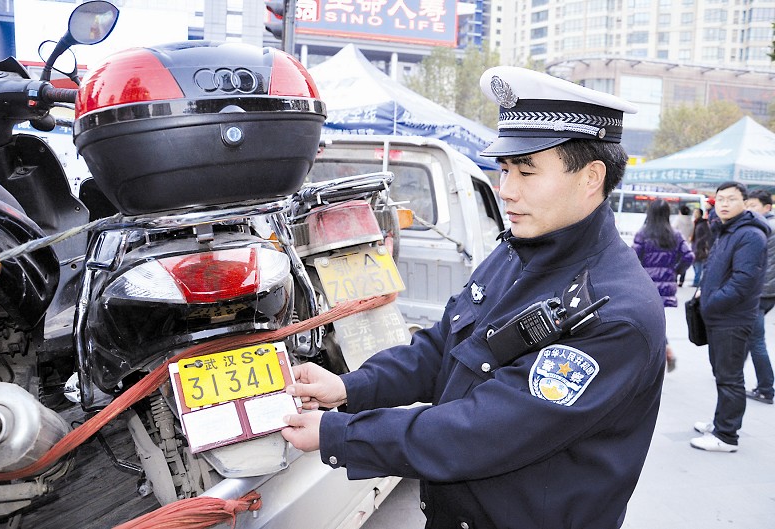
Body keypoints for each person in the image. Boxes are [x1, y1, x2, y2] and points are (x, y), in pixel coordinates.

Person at [282, 67, 666, 529]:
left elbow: (484, 431)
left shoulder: (615, 313)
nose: (507, 190)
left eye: (526, 171)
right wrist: (350, 387)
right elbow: (446, 347)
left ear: (590, 178)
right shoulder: (518, 251)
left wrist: (339, 435)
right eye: (505, 170)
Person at [691, 182, 769, 453]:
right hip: (720, 316)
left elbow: (743, 280)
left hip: (732, 318)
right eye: (720, 199)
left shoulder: (750, 235)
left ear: (744, 203)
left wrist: (712, 303)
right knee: (722, 373)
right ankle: (719, 423)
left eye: (731, 199)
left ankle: (727, 436)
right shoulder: (726, 229)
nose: (724, 204)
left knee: (730, 377)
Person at [633, 199, 694, 372]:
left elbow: (632, 258)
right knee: (656, 320)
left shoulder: (643, 234)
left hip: (645, 284)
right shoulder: (675, 235)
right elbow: (688, 256)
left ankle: (661, 353)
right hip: (667, 285)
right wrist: (675, 270)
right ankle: (663, 352)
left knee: (645, 321)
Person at [743, 189, 775, 404]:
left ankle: (766, 388)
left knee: (756, 340)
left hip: (761, 290)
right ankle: (730, 372)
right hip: (769, 291)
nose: (749, 209)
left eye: (753, 205)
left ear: (767, 207)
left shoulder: (765, 228)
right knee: (749, 335)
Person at [672, 204, 694, 286]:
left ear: (680, 211)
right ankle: (681, 281)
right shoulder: (691, 222)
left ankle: (674, 279)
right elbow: (691, 234)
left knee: (674, 262)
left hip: (676, 244)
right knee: (683, 261)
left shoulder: (678, 219)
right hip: (686, 244)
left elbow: (672, 230)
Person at [691, 207, 711, 287]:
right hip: (695, 245)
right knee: (695, 264)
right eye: (694, 212)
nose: (694, 214)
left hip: (700, 247)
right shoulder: (696, 222)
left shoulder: (703, 223)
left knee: (698, 264)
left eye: (696, 212)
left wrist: (700, 241)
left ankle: (697, 282)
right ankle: (697, 281)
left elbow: (708, 234)